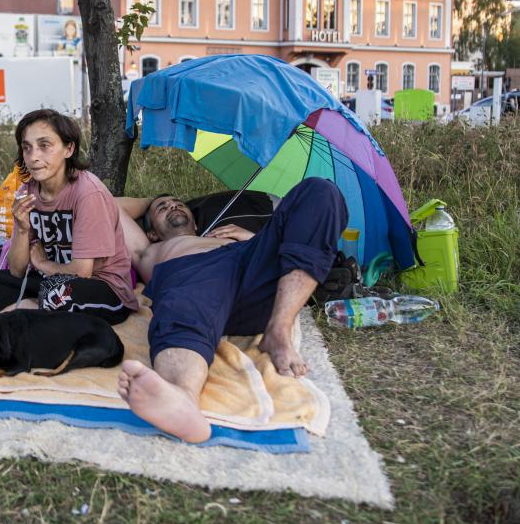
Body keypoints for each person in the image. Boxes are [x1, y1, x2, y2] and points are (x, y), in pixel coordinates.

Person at [114, 179, 347, 443]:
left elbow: (294, 240)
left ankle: (280, 326)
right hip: (193, 277)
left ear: (197, 223)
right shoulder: (147, 250)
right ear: (152, 233)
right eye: (163, 208)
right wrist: (151, 199)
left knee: (320, 190)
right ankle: (182, 399)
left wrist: (253, 240)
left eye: (178, 204)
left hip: (250, 269)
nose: (173, 206)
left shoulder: (230, 236)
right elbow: (109, 205)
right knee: (183, 303)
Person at [0, 109, 134, 325]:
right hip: (50, 281)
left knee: (54, 295)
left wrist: (44, 265)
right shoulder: (27, 193)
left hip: (100, 287)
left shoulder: (88, 193)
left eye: (44, 146)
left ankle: (29, 310)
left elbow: (82, 272)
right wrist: (22, 228)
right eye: (27, 148)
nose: (33, 157)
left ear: (69, 148)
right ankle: (33, 307)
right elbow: (17, 271)